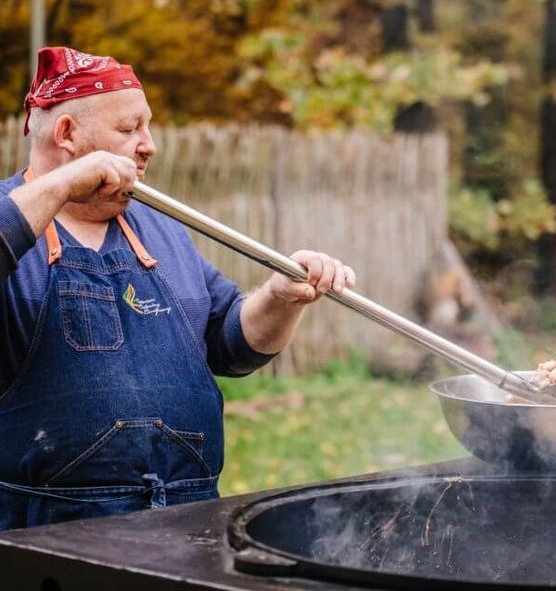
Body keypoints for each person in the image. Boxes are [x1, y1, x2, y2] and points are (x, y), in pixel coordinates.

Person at [0, 46, 356, 531]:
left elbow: (229, 345)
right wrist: (64, 184)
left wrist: (278, 297)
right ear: (66, 134)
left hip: (188, 520)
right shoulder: (11, 215)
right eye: (129, 129)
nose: (149, 144)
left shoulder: (160, 231)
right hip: (50, 531)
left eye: (147, 127)